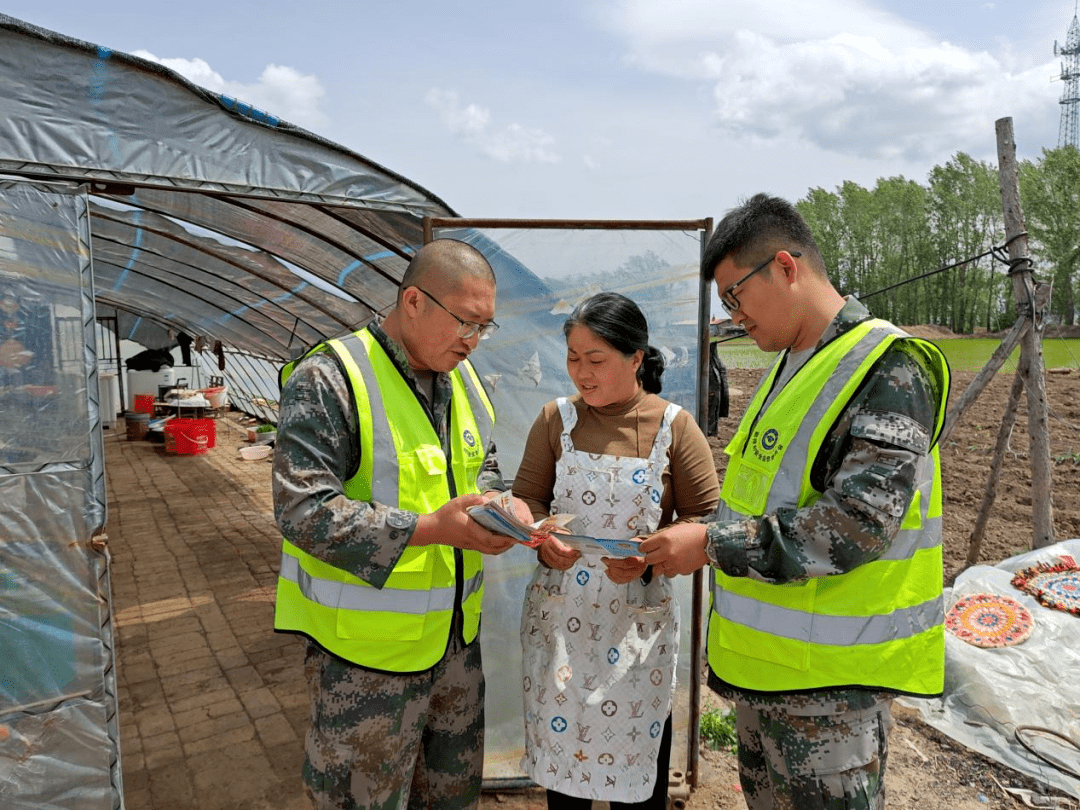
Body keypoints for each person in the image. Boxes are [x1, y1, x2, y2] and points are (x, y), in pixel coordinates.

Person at [639, 193, 951, 810]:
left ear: (786, 267)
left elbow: (856, 526)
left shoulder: (886, 367)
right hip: (775, 680)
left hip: (831, 695)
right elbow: (760, 501)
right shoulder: (793, 367)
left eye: (736, 295)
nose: (734, 315)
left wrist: (708, 545)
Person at [272, 238, 534, 810]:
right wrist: (433, 529)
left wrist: (501, 505)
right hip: (364, 663)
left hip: (455, 648)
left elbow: (480, 467)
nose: (473, 341)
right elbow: (302, 510)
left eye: (485, 327)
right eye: (466, 322)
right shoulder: (332, 377)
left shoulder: (463, 380)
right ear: (413, 301)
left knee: (448, 796)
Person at [512, 292, 720, 809]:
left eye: (596, 360)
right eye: (573, 358)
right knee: (565, 778)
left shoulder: (674, 427)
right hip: (561, 620)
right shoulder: (554, 420)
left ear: (635, 358)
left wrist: (654, 556)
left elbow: (705, 518)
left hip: (637, 628)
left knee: (640, 769)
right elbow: (528, 497)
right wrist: (542, 539)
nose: (581, 373)